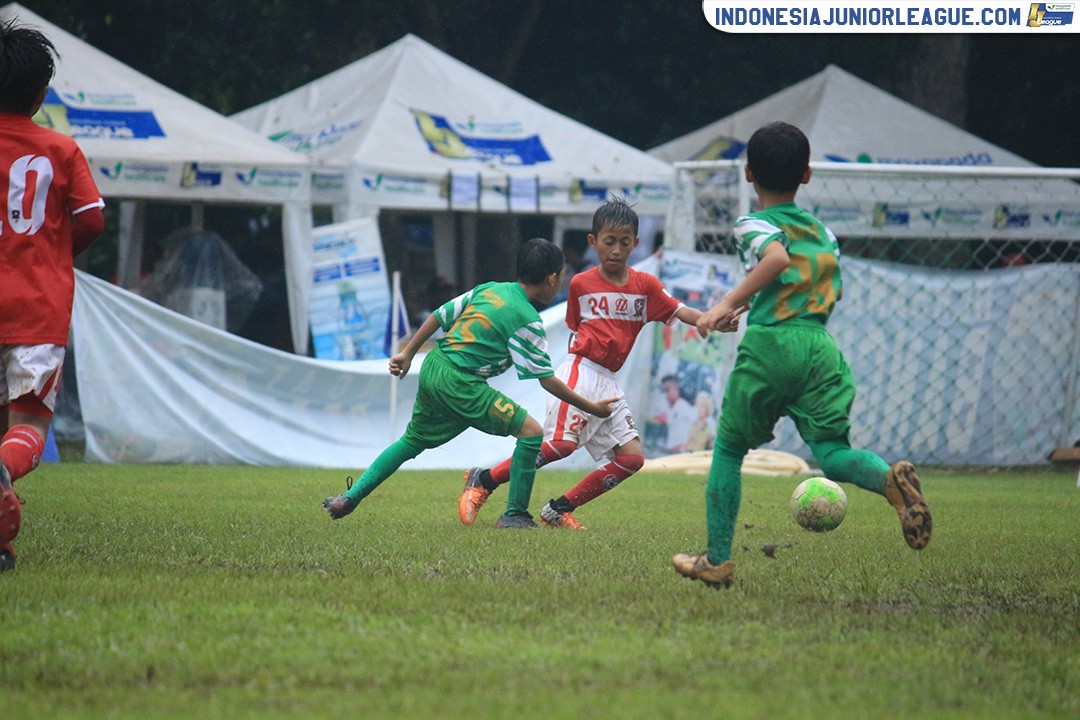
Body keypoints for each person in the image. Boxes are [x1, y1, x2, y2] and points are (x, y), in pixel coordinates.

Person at [672, 121, 932, 589]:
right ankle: (889, 483)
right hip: (819, 347)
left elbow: (775, 262)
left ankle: (716, 560)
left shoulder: (753, 223)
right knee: (833, 454)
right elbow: (798, 282)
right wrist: (748, 302)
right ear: (807, 175)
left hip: (773, 343)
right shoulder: (824, 233)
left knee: (729, 449)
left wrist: (724, 306)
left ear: (749, 174)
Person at [458, 197, 739, 530]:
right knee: (562, 444)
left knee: (632, 459)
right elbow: (577, 327)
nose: (617, 250)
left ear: (636, 243)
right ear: (594, 242)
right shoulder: (581, 283)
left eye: (624, 242)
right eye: (609, 242)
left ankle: (558, 509)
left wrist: (711, 320)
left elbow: (680, 311)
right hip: (581, 370)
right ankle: (485, 479)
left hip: (608, 380)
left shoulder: (645, 286)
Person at [322, 238, 619, 528]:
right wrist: (591, 406)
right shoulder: (527, 319)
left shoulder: (489, 290)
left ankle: (348, 498)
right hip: (461, 381)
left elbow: (440, 315)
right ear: (552, 277)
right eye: (561, 276)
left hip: (434, 367)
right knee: (531, 432)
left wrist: (407, 353)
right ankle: (514, 514)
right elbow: (546, 380)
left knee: (411, 441)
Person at [0, 19, 106, 571]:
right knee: (27, 429)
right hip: (37, 310)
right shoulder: (60, 149)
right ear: (41, 95)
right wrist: (52, 253)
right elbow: (91, 221)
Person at [654, 373, 696, 452]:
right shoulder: (669, 408)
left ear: (676, 389)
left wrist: (683, 445)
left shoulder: (684, 408)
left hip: (681, 453)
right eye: (664, 391)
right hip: (670, 451)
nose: (666, 394)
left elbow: (695, 430)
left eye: (667, 390)